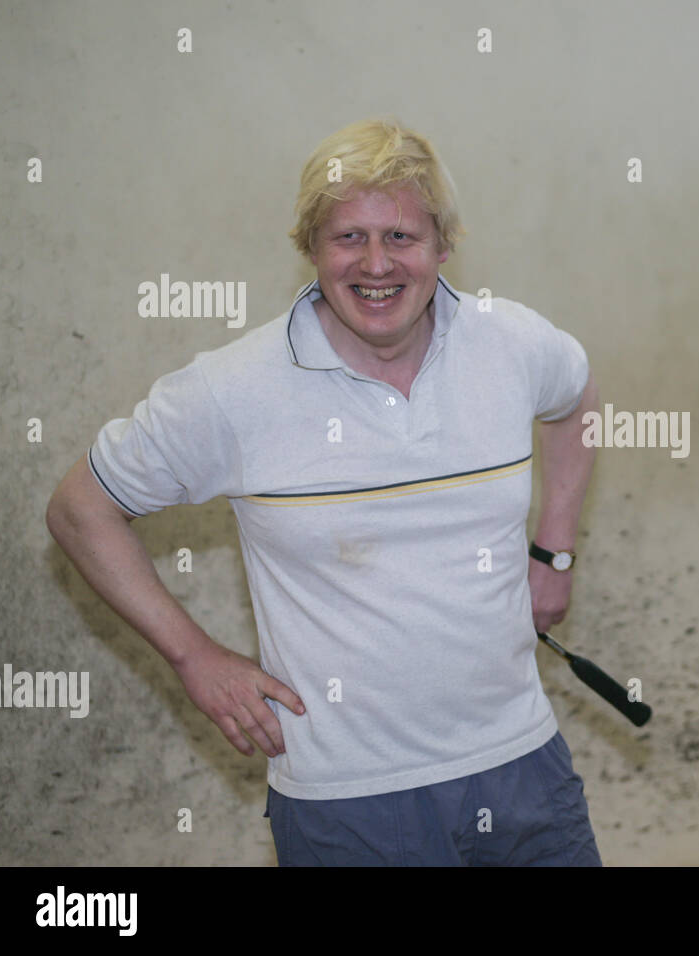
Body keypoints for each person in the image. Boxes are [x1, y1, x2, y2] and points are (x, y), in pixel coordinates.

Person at [46, 118, 602, 866]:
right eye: (348, 238)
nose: (377, 264)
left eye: (402, 236)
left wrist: (554, 550)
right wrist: (194, 657)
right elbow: (80, 509)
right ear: (310, 248)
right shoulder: (232, 391)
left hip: (524, 769)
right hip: (349, 806)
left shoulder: (512, 345)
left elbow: (577, 400)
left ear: (444, 244)